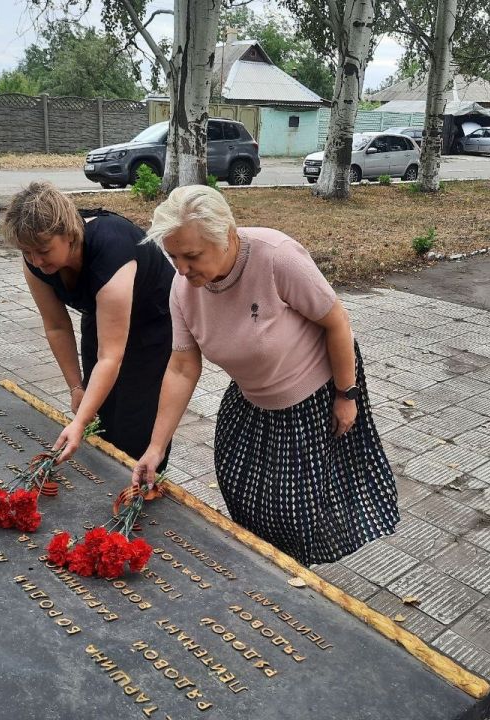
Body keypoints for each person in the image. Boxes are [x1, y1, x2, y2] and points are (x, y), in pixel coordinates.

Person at [132, 185, 399, 565]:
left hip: (313, 393)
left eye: (191, 256)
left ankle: (292, 574)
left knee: (293, 507)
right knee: (239, 483)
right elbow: (182, 367)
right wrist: (156, 447)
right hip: (251, 394)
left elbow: (337, 322)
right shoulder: (183, 287)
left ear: (227, 236)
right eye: (173, 256)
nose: (182, 269)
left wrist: (346, 395)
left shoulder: (276, 256)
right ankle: (263, 565)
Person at [2, 181, 174, 469]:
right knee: (99, 410)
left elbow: (111, 356)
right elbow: (56, 326)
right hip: (102, 311)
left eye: (43, 250)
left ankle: (143, 481)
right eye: (27, 252)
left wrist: (78, 424)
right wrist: (76, 388)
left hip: (154, 321)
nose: (35, 260)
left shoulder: (112, 250)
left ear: (69, 235)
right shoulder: (34, 258)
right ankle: (105, 476)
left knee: (134, 422)